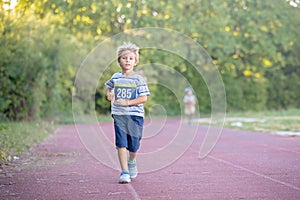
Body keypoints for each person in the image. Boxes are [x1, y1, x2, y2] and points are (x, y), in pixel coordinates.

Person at [105, 42, 150, 184]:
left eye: (131, 58)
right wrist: (109, 94)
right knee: (121, 143)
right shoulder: (115, 77)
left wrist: (128, 102)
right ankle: (124, 171)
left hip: (135, 115)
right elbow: (108, 87)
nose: (127, 61)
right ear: (119, 61)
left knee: (134, 145)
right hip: (119, 115)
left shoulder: (138, 79)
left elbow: (144, 98)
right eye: (124, 58)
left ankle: (132, 161)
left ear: (135, 61)